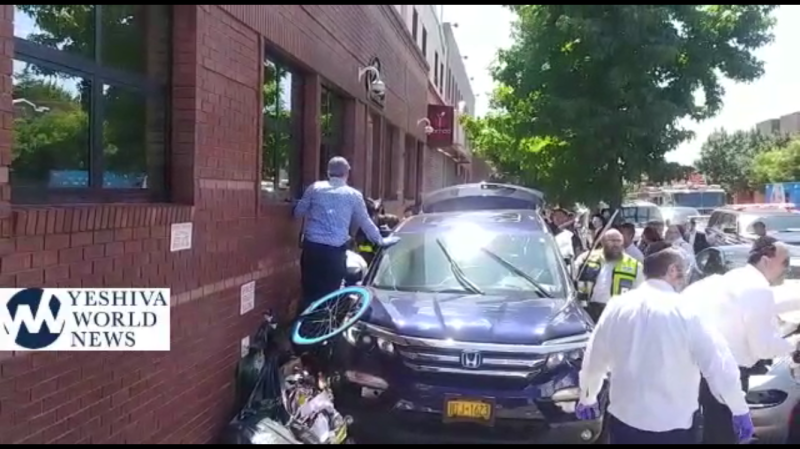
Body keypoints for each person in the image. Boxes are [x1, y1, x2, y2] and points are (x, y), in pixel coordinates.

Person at [575, 247, 753, 444]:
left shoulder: (617, 306)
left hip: (624, 420)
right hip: (673, 425)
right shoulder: (687, 310)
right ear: (672, 270)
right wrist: (739, 408)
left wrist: (587, 396)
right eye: (683, 269)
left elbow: (595, 358)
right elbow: (718, 364)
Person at [682, 236, 795, 444]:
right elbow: (763, 348)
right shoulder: (757, 288)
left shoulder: (734, 278)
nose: (787, 269)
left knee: (711, 434)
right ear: (766, 260)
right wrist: (793, 345)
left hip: (701, 371)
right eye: (785, 262)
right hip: (728, 374)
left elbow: (772, 305)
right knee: (724, 436)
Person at [293, 157, 399, 311]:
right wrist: (380, 241)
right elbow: (365, 221)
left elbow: (298, 212)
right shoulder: (353, 195)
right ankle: (325, 324)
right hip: (334, 252)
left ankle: (304, 323)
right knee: (330, 295)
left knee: (309, 291)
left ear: (328, 172)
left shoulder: (314, 189)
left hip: (312, 249)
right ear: (347, 173)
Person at [574, 229, 644, 321]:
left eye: (618, 241)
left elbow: (639, 292)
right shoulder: (586, 259)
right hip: (588, 310)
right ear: (603, 242)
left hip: (617, 312)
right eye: (612, 241)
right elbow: (573, 278)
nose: (615, 244)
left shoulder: (634, 265)